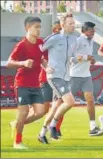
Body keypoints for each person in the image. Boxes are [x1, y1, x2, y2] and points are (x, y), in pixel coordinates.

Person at [7, 16, 47, 149]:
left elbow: (41, 57)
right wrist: (23, 63)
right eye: (36, 27)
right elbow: (9, 63)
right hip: (22, 83)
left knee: (41, 112)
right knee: (23, 112)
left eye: (40, 27)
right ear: (28, 28)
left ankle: (16, 123)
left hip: (35, 84)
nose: (39, 30)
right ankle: (17, 142)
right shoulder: (21, 45)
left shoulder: (41, 42)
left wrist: (44, 63)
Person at [39, 13, 78, 140]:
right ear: (63, 25)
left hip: (66, 77)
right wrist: (45, 66)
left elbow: (70, 56)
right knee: (70, 102)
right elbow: (37, 51)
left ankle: (42, 134)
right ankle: (53, 126)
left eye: (74, 23)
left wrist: (74, 59)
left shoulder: (74, 39)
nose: (73, 26)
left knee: (55, 106)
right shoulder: (54, 38)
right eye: (70, 23)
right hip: (54, 76)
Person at [69, 21, 103, 136]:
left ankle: (92, 127)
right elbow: (71, 58)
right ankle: (54, 125)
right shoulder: (78, 41)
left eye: (93, 31)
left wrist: (91, 60)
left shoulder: (91, 41)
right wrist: (85, 57)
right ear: (84, 31)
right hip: (74, 75)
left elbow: (88, 57)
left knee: (90, 99)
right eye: (90, 31)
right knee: (65, 102)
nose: (93, 33)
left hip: (86, 75)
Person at [38, 20, 64, 144]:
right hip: (46, 78)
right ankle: (21, 122)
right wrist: (46, 67)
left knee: (61, 104)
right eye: (59, 29)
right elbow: (39, 54)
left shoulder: (65, 41)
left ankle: (55, 130)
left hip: (60, 78)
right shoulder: (50, 40)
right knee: (44, 109)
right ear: (55, 30)